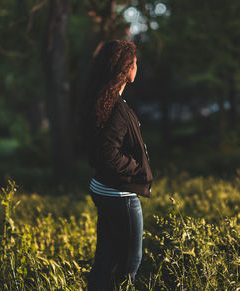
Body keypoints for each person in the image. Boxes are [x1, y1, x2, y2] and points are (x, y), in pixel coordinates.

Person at [81, 40, 153, 290]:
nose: (138, 65)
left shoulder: (103, 101)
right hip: (119, 193)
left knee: (106, 257)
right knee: (131, 261)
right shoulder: (116, 109)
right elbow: (107, 154)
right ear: (127, 68)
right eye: (135, 62)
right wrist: (136, 168)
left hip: (103, 188)